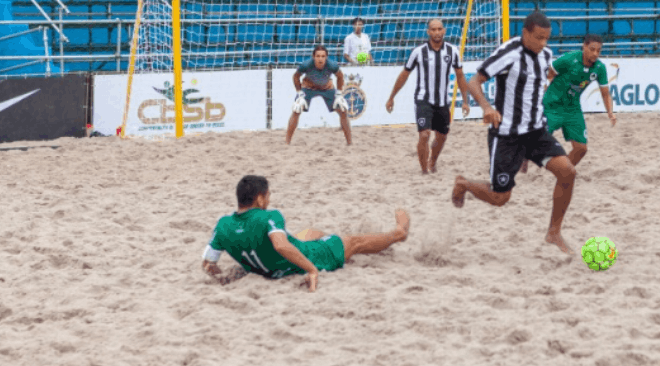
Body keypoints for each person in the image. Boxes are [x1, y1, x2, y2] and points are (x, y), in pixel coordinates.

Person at [451, 10, 578, 254]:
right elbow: (474, 81)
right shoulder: (510, 53)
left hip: (535, 131)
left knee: (568, 173)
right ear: (525, 33)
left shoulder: (546, 55)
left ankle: (554, 233)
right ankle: (464, 184)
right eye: (539, 38)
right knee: (501, 198)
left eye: (546, 39)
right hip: (507, 135)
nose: (543, 44)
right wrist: (487, 107)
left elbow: (542, 81)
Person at [201, 175, 410, 292]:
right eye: (268, 196)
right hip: (304, 259)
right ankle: (399, 234)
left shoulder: (222, 225)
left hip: (270, 266)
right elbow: (281, 246)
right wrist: (312, 270)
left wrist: (226, 276)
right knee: (352, 241)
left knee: (310, 232)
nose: (270, 200)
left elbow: (208, 265)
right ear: (260, 199)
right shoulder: (269, 216)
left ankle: (324, 239)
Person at [385, 19, 472, 174]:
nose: (437, 32)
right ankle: (424, 170)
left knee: (442, 136)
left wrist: (465, 101)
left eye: (439, 29)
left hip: (442, 101)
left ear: (444, 31)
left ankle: (433, 161)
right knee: (424, 135)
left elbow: (460, 76)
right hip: (423, 99)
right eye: (433, 29)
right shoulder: (418, 52)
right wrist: (392, 97)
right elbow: (404, 74)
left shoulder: (452, 51)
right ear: (428, 32)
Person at [541, 33, 617, 166]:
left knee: (581, 149)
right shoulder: (569, 59)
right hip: (552, 105)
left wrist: (610, 112)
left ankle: (565, 172)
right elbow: (549, 73)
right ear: (584, 46)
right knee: (538, 142)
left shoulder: (599, 68)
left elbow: (605, 93)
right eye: (592, 49)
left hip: (572, 108)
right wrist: (546, 87)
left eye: (598, 51)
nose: (595, 53)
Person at [285, 45, 352, 146]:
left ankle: (350, 143)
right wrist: (299, 93)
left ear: (326, 57)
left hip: (327, 87)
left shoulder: (332, 65)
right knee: (296, 109)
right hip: (308, 87)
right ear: (313, 57)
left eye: (323, 56)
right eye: (318, 56)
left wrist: (338, 94)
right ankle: (287, 142)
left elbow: (340, 76)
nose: (320, 59)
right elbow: (295, 76)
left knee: (343, 110)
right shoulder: (306, 65)